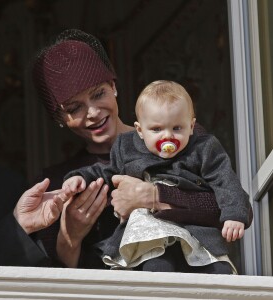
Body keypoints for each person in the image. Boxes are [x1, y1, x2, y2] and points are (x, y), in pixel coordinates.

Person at [0, 29, 252, 269]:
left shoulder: (176, 135)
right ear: (60, 119)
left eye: (98, 94)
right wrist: (70, 235)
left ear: (113, 86)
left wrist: (153, 196)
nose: (93, 113)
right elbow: (55, 285)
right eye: (74, 108)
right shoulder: (62, 183)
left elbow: (229, 208)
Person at [62, 80, 251, 274]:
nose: (167, 136)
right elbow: (106, 172)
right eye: (156, 129)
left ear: (192, 126)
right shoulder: (126, 147)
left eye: (177, 128)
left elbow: (224, 180)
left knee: (218, 270)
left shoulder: (202, 148)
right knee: (158, 265)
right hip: (149, 230)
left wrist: (234, 215)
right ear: (140, 131)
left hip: (193, 229)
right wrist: (80, 178)